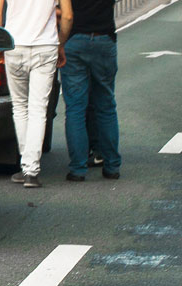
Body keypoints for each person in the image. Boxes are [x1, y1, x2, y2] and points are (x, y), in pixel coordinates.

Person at [0, 0, 73, 188]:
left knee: (19, 107)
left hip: (15, 45)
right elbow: (68, 16)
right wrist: (60, 44)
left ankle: (26, 166)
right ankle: (31, 171)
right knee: (38, 109)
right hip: (45, 46)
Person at [60, 0, 121, 181]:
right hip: (104, 38)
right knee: (106, 106)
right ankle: (112, 166)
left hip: (74, 39)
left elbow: (66, 13)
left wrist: (60, 43)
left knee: (75, 108)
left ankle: (78, 169)